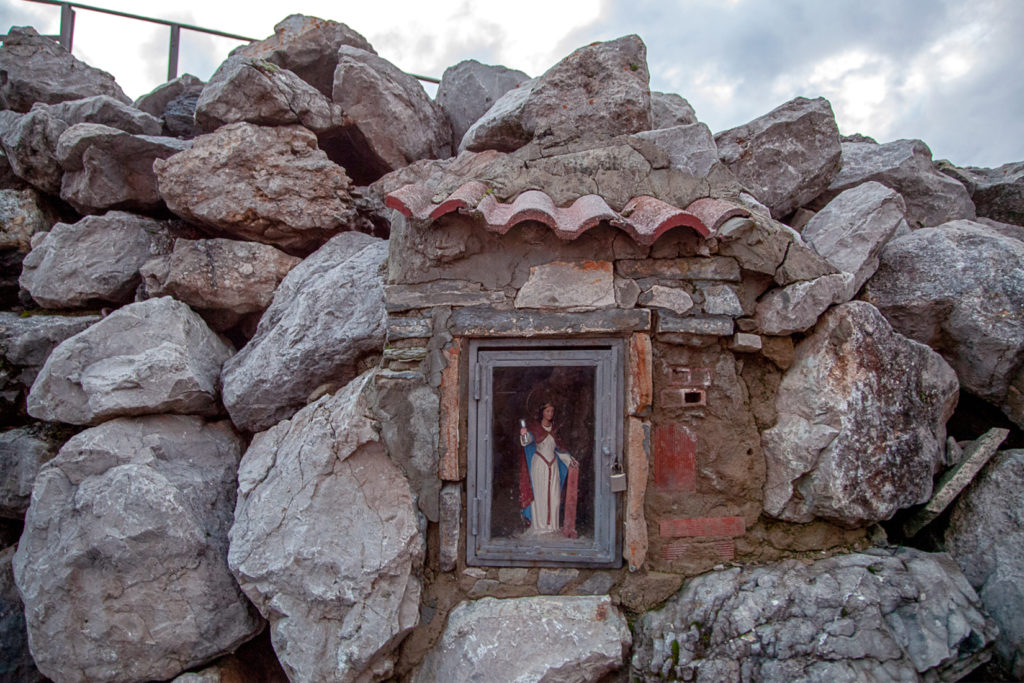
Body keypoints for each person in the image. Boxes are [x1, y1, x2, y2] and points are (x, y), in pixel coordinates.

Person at [519, 403, 579, 536]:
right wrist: (524, 434)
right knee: (540, 496)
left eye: (552, 411)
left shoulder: (554, 430)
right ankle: (540, 527)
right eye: (547, 411)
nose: (550, 414)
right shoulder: (536, 429)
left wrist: (570, 460)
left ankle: (553, 527)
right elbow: (526, 441)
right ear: (542, 412)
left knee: (555, 498)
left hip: (553, 466)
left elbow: (559, 450)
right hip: (540, 466)